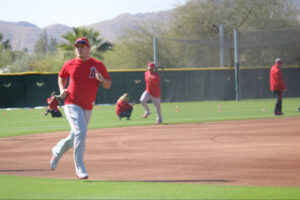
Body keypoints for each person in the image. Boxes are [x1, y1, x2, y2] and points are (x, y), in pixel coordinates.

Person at [50, 37, 112, 179]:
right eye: (77, 46)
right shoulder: (70, 64)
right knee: (81, 132)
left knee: (75, 135)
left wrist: (102, 79)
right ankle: (80, 169)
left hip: (88, 106)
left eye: (82, 46)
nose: (79, 49)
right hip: (71, 103)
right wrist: (62, 89)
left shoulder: (97, 65)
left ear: (88, 48)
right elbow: (61, 76)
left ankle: (57, 150)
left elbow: (108, 84)